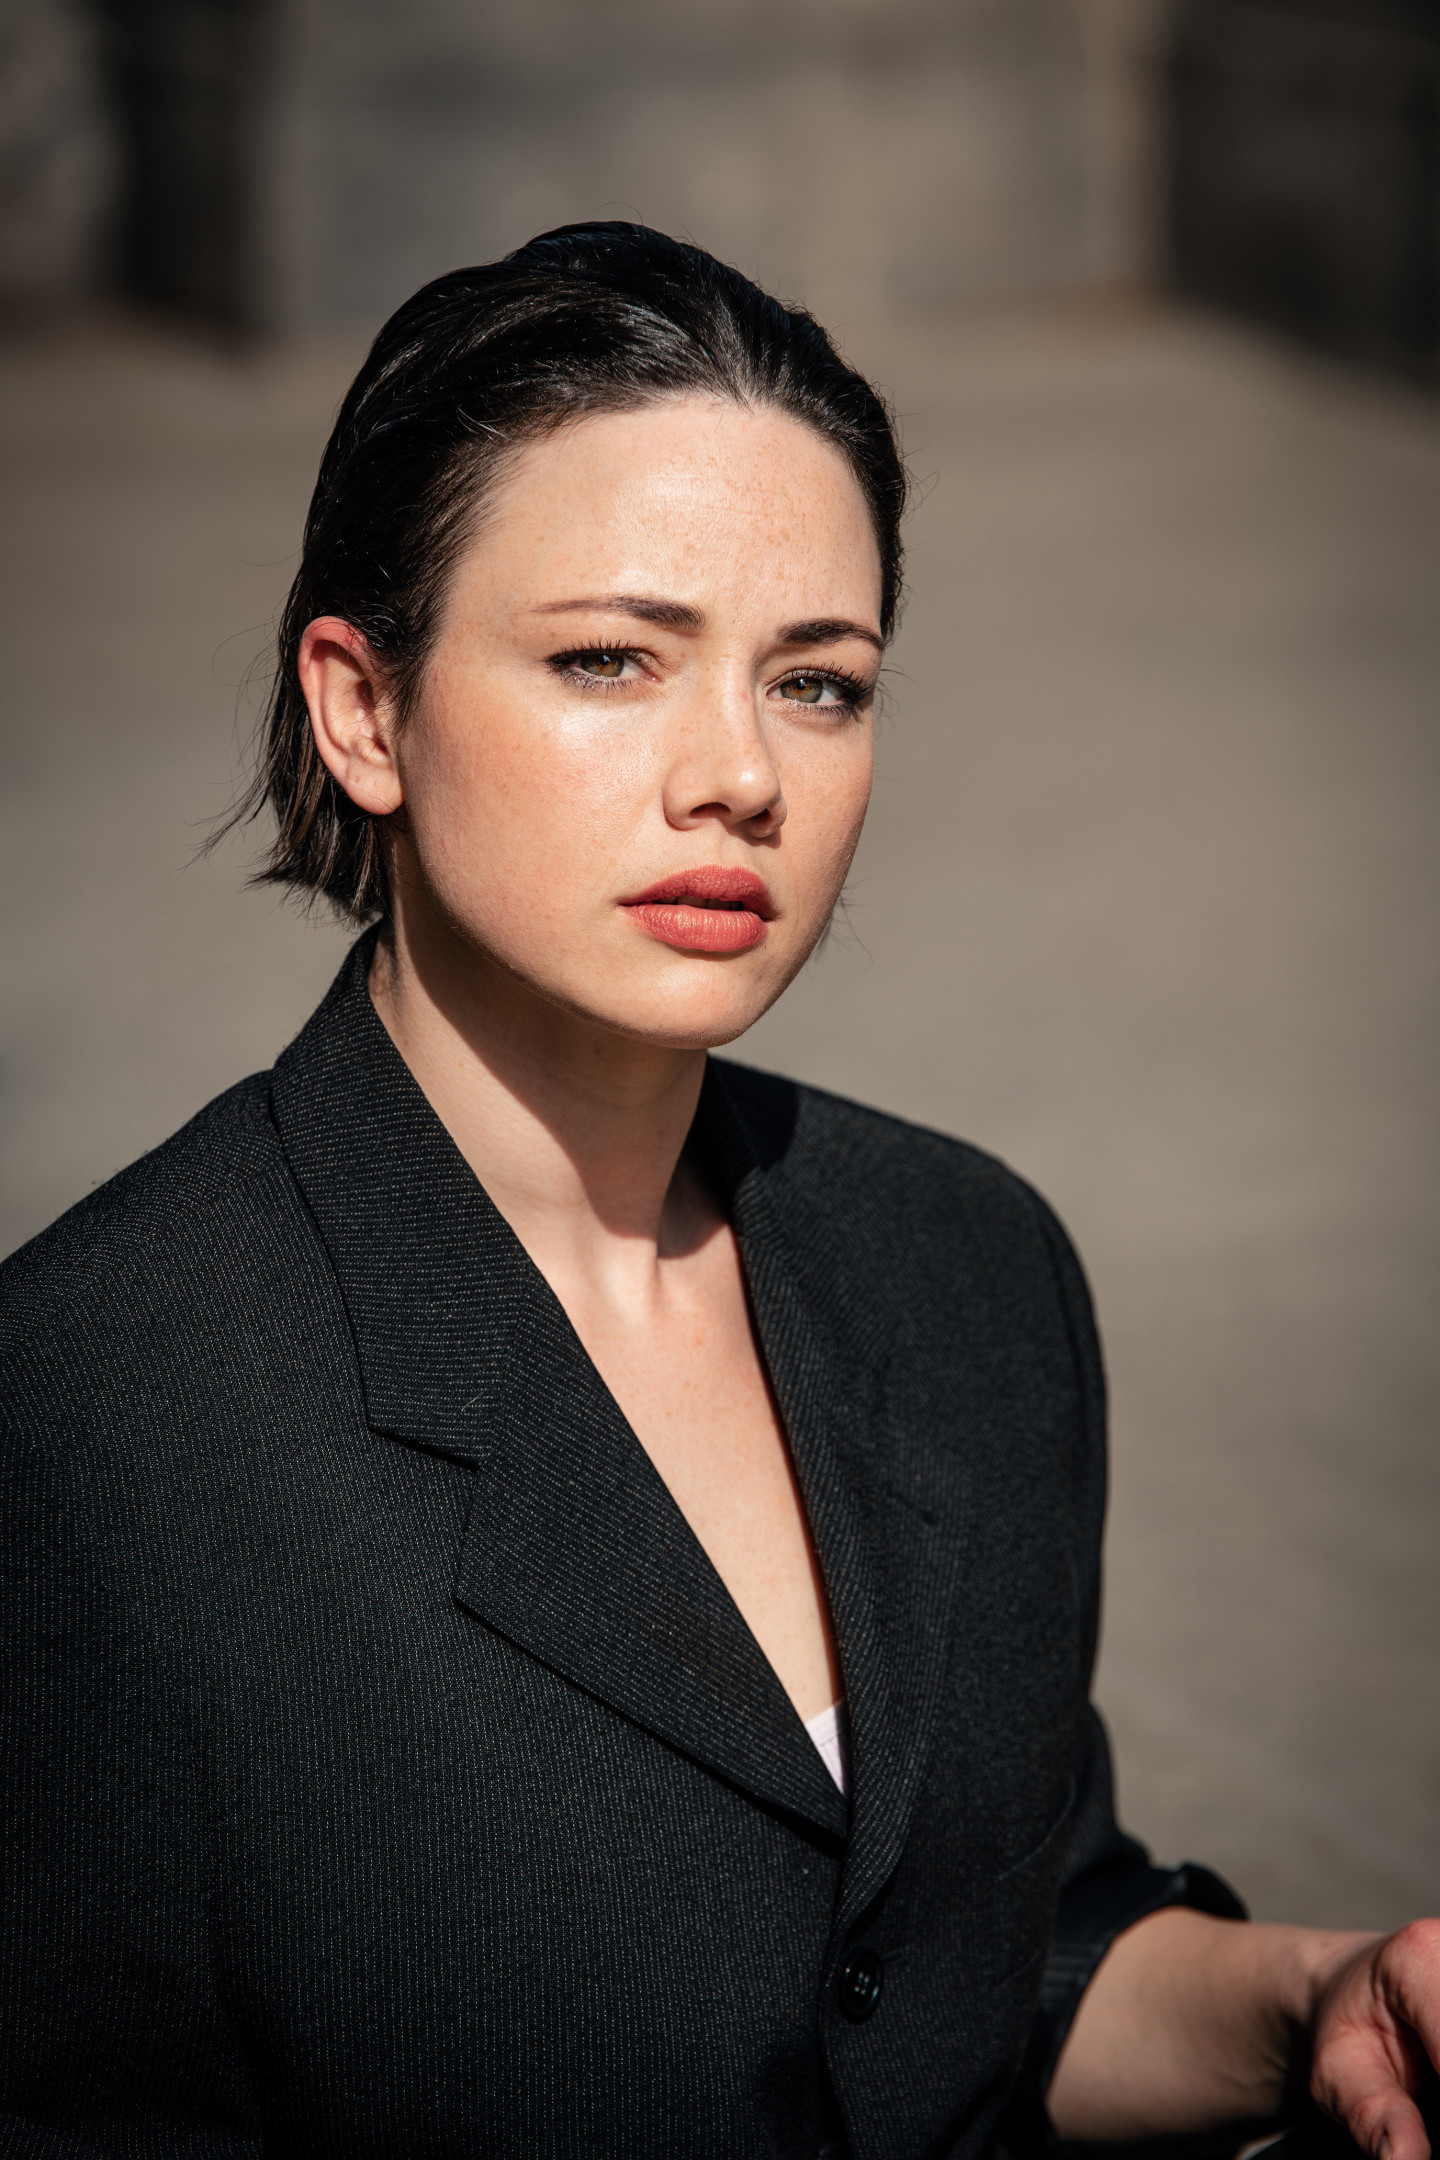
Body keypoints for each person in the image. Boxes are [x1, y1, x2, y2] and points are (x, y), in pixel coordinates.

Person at [1, 223, 1435, 2160]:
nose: (740, 774)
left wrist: (1314, 1999)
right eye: (611, 659)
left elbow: (1001, 1961)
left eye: (819, 684)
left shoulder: (967, 1264)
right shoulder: (95, 1415)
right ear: (361, 711)